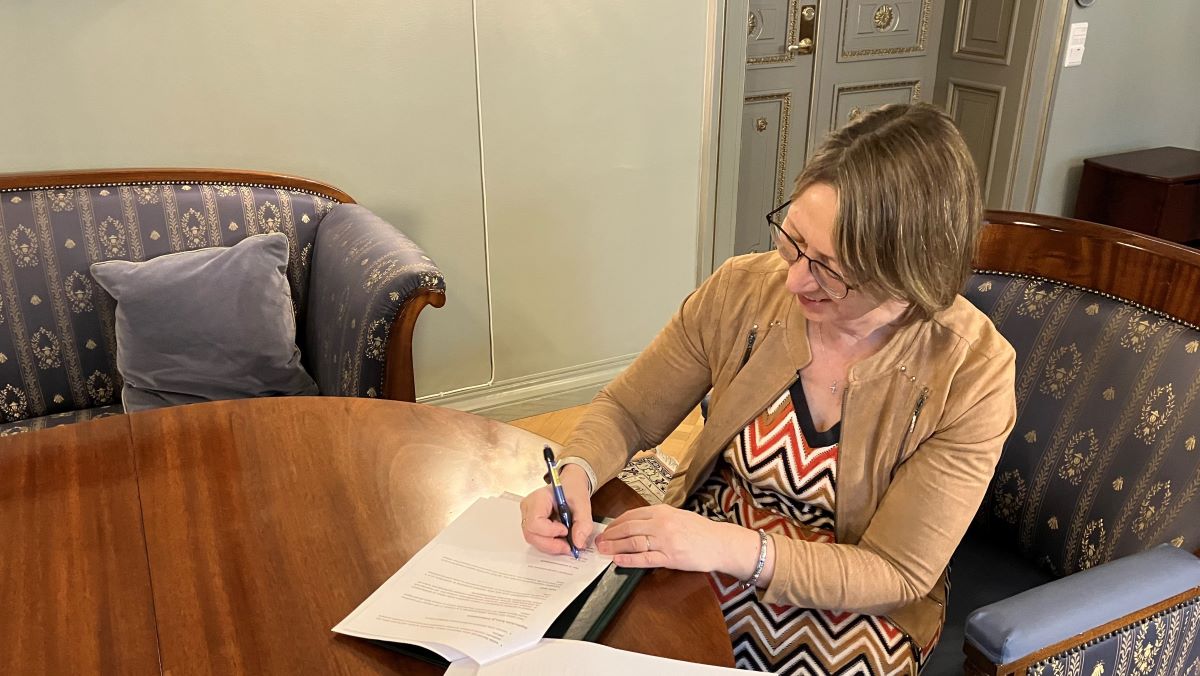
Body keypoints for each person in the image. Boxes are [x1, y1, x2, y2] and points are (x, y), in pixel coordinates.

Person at [520, 102, 1017, 675]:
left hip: (855, 607)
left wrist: (729, 548)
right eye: (794, 240)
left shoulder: (971, 373)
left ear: (908, 274)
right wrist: (576, 474)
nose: (794, 278)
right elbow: (629, 411)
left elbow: (895, 572)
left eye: (830, 268)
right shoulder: (742, 291)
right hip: (699, 549)